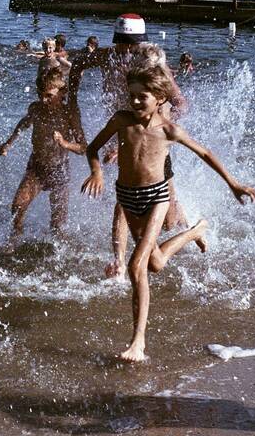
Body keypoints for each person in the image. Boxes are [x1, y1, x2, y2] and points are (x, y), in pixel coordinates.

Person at [78, 65, 255, 362]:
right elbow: (93, 148)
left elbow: (205, 153)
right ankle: (195, 231)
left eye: (142, 97)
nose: (135, 102)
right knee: (156, 264)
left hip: (156, 198)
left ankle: (138, 342)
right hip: (127, 195)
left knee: (137, 266)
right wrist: (96, 172)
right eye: (131, 95)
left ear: (160, 97)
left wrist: (234, 184)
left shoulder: (169, 130)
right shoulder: (121, 120)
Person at [70, 16, 189, 278]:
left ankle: (191, 235)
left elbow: (181, 104)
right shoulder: (107, 56)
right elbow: (77, 62)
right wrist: (71, 100)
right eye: (121, 45)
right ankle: (121, 263)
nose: (125, 52)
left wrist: (158, 132)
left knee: (171, 221)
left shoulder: (152, 65)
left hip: (154, 141)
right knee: (125, 200)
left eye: (131, 47)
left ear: (140, 44)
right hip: (125, 132)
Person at [0, 69, 85, 243]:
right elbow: (24, 123)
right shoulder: (36, 108)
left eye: (48, 95)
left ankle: (60, 259)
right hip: (37, 167)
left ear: (62, 93)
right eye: (40, 95)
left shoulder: (69, 114)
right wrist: (9, 142)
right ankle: (15, 239)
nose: (43, 100)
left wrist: (65, 144)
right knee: (17, 205)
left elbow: (83, 147)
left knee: (57, 225)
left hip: (60, 170)